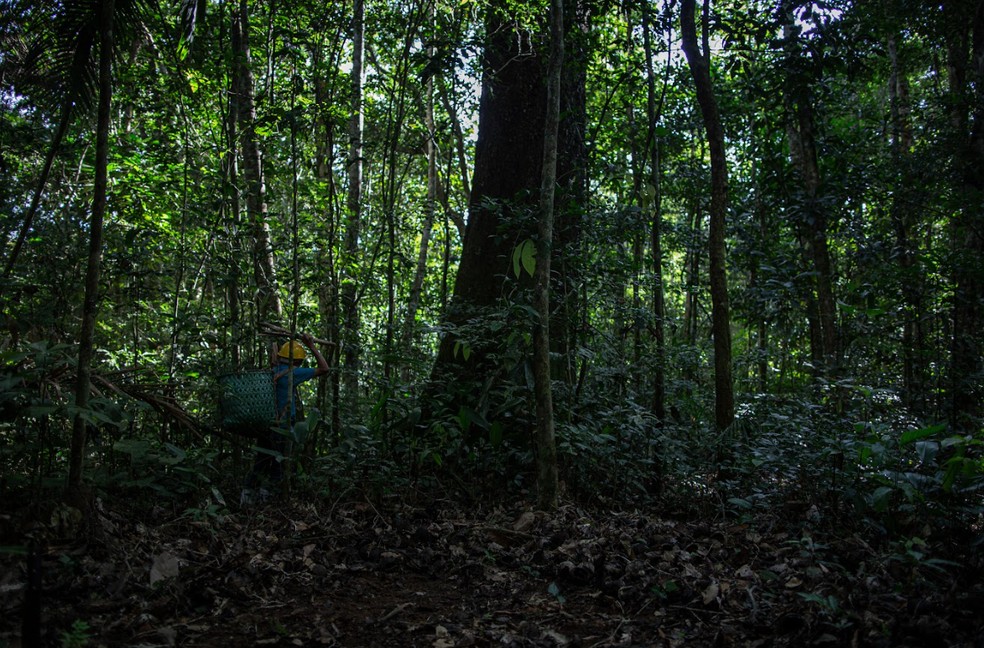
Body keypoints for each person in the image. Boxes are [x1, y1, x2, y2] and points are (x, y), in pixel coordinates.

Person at [242, 332, 329, 504]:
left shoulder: (271, 372)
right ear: (297, 361)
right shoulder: (292, 373)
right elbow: (324, 368)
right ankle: (269, 502)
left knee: (261, 461)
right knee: (278, 465)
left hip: (265, 424)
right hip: (281, 427)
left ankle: (247, 498)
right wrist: (311, 346)